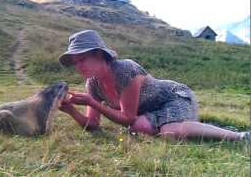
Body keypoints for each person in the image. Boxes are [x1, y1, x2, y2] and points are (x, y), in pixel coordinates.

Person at [58, 29, 250, 141]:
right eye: (75, 62)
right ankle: (199, 127)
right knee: (140, 127)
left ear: (99, 55)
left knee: (167, 132)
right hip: (150, 112)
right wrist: (71, 111)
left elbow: (127, 117)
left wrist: (92, 103)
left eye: (82, 59)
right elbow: (93, 125)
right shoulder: (92, 84)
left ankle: (240, 137)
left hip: (174, 96)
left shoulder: (125, 69)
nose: (78, 66)